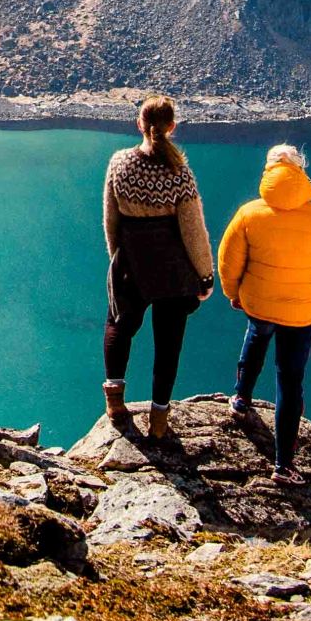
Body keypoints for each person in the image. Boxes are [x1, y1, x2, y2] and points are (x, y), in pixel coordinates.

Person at [217, 143, 311, 482]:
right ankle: (283, 466)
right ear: (299, 171)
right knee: (289, 380)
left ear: (269, 172)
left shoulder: (249, 213)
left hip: (258, 303)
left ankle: (240, 399)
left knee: (255, 339)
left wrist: (234, 294)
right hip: (302, 312)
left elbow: (228, 259)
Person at [101, 94, 213, 441]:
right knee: (168, 345)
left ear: (140, 124)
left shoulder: (120, 163)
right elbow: (193, 230)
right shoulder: (179, 173)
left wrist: (118, 258)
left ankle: (115, 403)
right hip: (172, 269)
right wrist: (205, 275)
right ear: (172, 127)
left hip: (132, 260)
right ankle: (159, 420)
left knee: (119, 326)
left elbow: (111, 218)